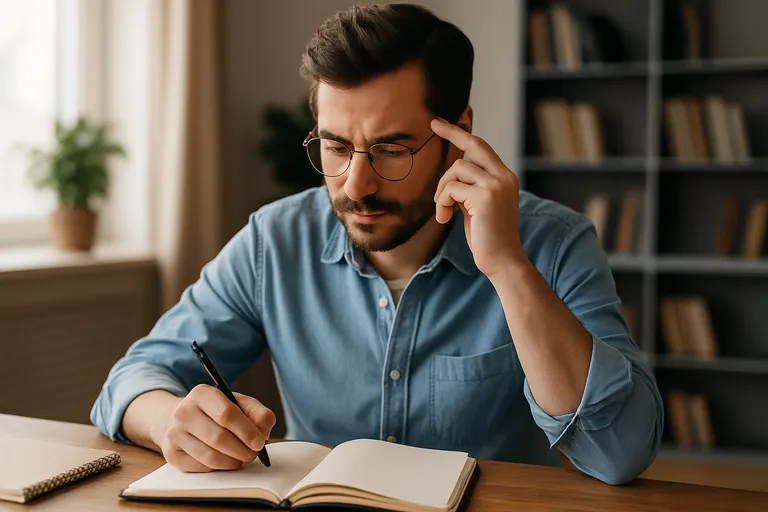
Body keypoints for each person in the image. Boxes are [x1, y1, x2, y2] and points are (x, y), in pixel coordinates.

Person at [91, 3, 663, 485]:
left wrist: (509, 268)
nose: (356, 185)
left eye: (392, 149)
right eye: (336, 148)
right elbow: (132, 379)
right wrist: (173, 421)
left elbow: (620, 453)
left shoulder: (554, 243)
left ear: (458, 133)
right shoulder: (275, 240)